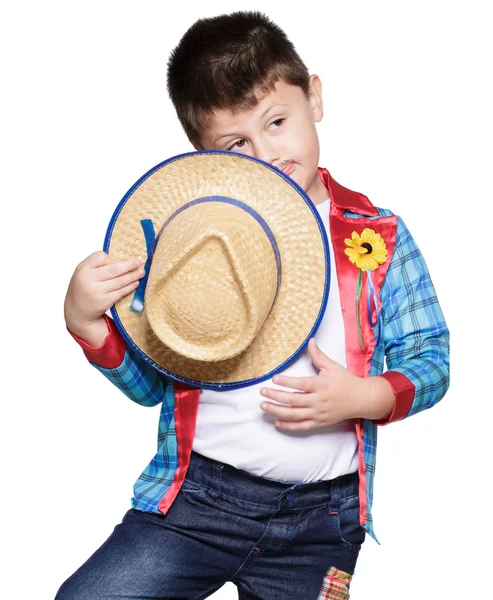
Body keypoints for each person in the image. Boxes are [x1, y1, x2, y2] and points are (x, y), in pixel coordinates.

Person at [56, 11, 450, 600]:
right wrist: (87, 322)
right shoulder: (190, 240)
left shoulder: (380, 235)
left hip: (325, 523)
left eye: (277, 121)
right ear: (204, 153)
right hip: (195, 504)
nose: (266, 151)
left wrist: (364, 396)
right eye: (237, 142)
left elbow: (433, 360)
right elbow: (149, 387)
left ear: (313, 96)